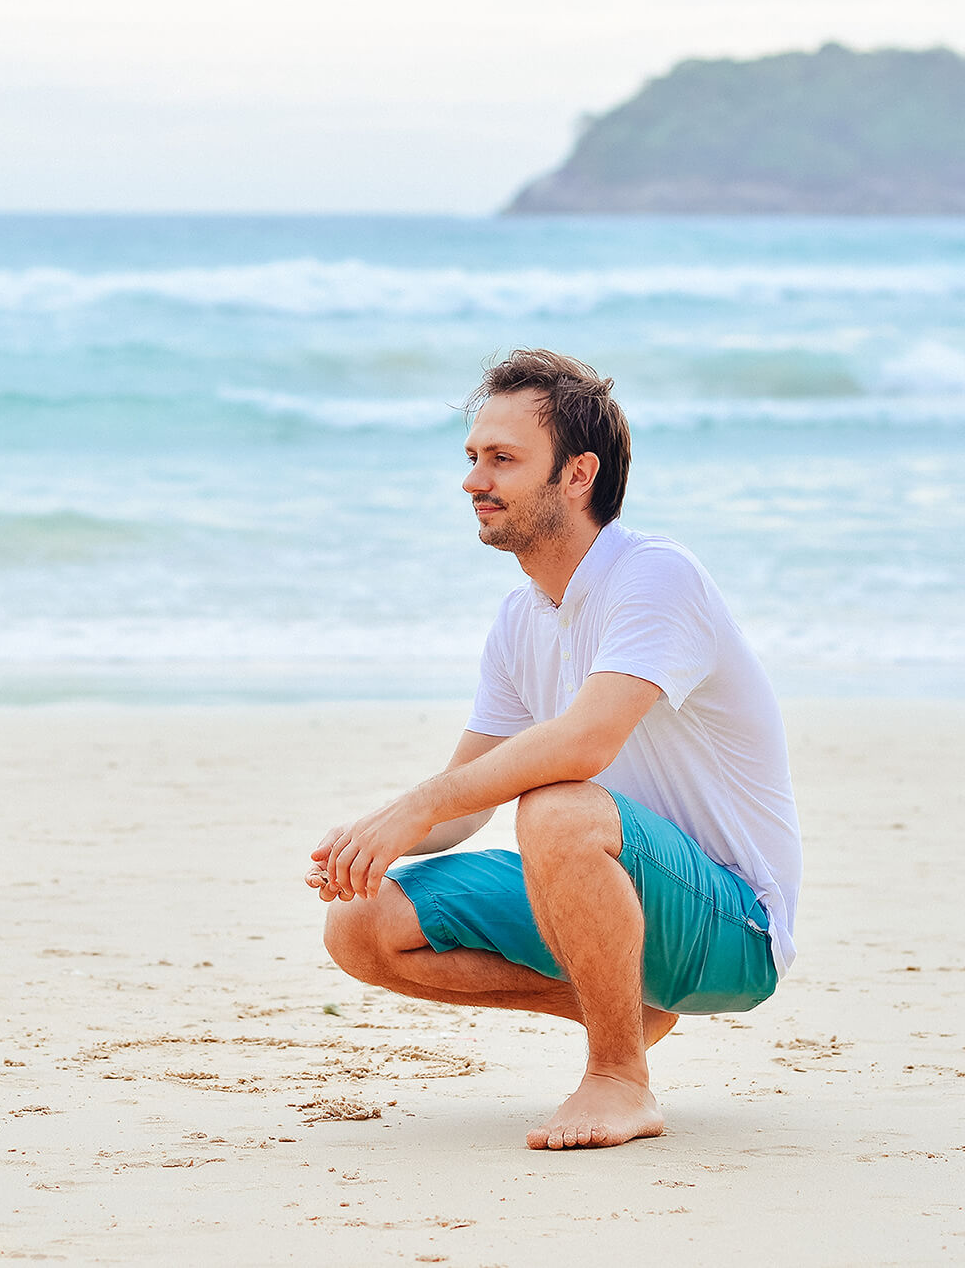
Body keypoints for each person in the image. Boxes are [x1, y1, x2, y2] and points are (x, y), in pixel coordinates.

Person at [309, 349, 801, 1151]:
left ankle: (618, 1077)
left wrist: (419, 806)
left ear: (578, 474)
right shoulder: (521, 619)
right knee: (360, 921)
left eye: (503, 459)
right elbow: (467, 791)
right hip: (607, 901)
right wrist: (370, 838)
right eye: (472, 458)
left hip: (731, 924)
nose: (474, 481)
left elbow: (585, 741)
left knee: (558, 803)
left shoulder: (655, 576)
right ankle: (628, 1008)